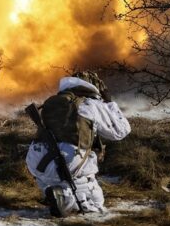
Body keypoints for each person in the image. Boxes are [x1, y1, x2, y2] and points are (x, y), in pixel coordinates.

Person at [26, 71, 131, 217]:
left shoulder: (52, 101)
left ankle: (55, 194)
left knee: (55, 180)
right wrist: (109, 103)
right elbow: (121, 131)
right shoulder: (89, 104)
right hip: (68, 162)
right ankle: (66, 198)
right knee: (95, 203)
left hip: (37, 162)